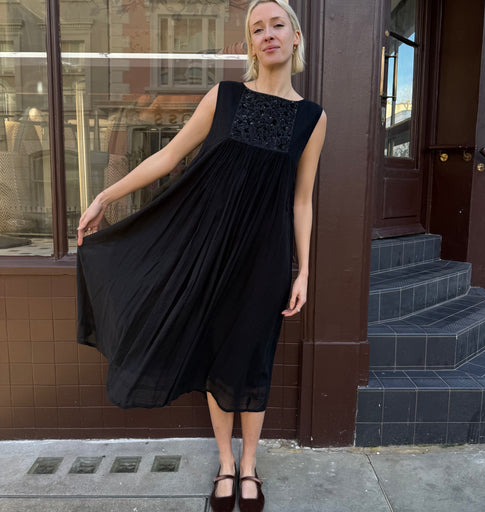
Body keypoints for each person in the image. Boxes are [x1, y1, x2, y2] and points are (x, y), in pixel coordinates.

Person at [75, 1, 326, 510]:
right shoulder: (225, 96)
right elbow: (169, 156)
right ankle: (226, 464)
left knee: (253, 357)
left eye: (278, 25)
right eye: (258, 28)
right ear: (250, 43)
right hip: (208, 247)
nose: (268, 34)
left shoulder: (312, 118)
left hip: (266, 256)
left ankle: (250, 466)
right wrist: (105, 196)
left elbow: (302, 200)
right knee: (217, 354)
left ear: (296, 36)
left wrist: (304, 270)